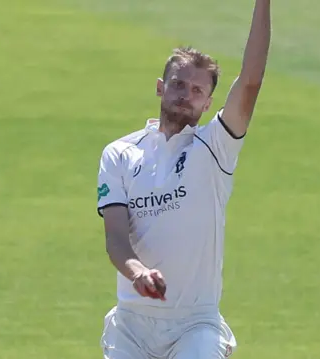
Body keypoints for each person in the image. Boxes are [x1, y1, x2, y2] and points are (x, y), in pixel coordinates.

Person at [96, 1, 271, 357]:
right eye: (178, 84)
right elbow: (115, 237)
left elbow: (251, 81)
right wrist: (138, 272)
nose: (185, 95)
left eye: (197, 91)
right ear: (160, 87)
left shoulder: (215, 146)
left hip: (195, 323)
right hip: (131, 324)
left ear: (208, 103)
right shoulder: (119, 154)